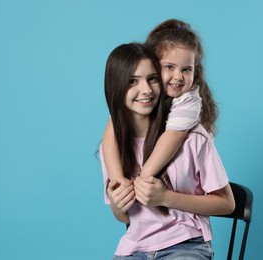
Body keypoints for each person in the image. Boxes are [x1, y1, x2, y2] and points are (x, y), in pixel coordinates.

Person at [100, 42, 235, 259]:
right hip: (136, 247)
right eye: (132, 81)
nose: (145, 90)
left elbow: (227, 203)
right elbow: (125, 217)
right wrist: (118, 205)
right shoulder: (115, 145)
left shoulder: (192, 137)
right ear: (116, 87)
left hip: (186, 245)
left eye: (152, 79)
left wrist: (166, 197)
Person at [101, 19, 218, 187]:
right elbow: (112, 127)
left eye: (186, 69)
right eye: (169, 67)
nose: (178, 76)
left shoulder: (189, 101)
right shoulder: (147, 93)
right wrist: (117, 181)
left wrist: (141, 180)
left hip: (189, 173)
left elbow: (173, 137)